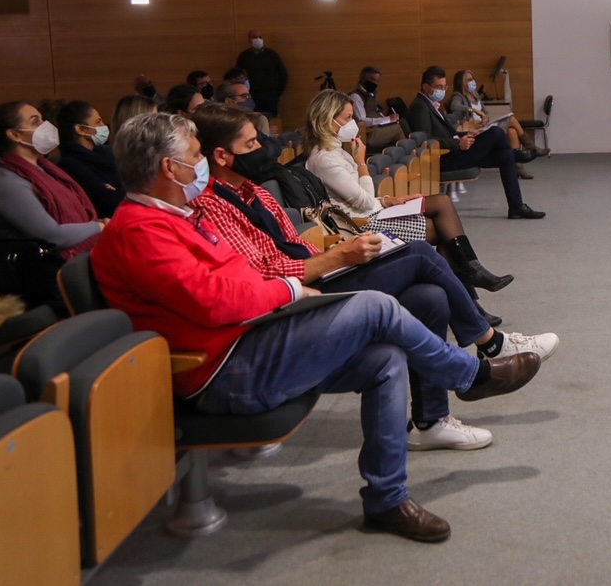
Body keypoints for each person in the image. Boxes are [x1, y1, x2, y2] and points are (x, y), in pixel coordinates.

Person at [92, 112, 542, 542]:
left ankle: (386, 498)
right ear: (171, 168)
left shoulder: (178, 217)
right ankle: (472, 376)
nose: (203, 164)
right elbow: (219, 299)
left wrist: (283, 291)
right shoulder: (140, 230)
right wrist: (290, 291)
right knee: (376, 307)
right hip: (224, 370)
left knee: (385, 359)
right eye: (196, 156)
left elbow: (243, 278)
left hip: (255, 338)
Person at [190, 103, 558, 451]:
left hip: (322, 269)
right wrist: (337, 258)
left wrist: (339, 258)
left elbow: (295, 246)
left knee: (430, 296)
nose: (263, 149)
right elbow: (260, 274)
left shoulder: (255, 192)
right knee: (418, 253)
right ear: (221, 157)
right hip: (296, 298)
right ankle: (491, 343)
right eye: (251, 144)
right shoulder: (211, 206)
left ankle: (432, 421)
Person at [300, 90, 514, 294]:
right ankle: (471, 282)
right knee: (442, 229)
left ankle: (472, 278)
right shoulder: (326, 159)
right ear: (328, 121)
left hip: (369, 212)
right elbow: (362, 204)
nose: (353, 124)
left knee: (441, 203)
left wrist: (387, 200)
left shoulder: (335, 151)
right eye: (347, 118)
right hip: (360, 225)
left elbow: (358, 197)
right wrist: (361, 163)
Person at [406, 66, 545, 220]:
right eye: (439, 87)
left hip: (452, 151)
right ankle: (518, 154)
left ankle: (516, 207)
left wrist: (467, 134)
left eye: (444, 87)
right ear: (426, 87)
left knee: (505, 155)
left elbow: (447, 134)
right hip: (442, 160)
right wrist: (457, 144)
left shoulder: (431, 104)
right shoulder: (420, 106)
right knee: (497, 133)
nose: (443, 90)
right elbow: (426, 141)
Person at [0, 101, 106, 257]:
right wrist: (99, 227)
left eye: (42, 119)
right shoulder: (6, 181)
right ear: (15, 135)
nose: (45, 126)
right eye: (35, 122)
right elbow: (51, 236)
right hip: (41, 267)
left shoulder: (44, 168)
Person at [449, 68, 547, 180]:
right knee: (511, 119)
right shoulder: (458, 96)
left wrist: (486, 117)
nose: (472, 82)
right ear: (461, 82)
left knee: (512, 131)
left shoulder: (475, 94)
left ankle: (517, 168)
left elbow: (485, 111)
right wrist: (473, 110)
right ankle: (532, 147)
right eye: (469, 80)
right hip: (475, 129)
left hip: (484, 125)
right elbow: (454, 106)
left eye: (472, 79)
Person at [55, 101, 125, 218]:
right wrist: (127, 188)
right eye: (98, 122)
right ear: (81, 129)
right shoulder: (70, 164)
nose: (104, 125)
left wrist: (120, 189)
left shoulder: (108, 153)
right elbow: (110, 200)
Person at [235, 29, 289, 117]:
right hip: (251, 95)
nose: (258, 39)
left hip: (270, 95)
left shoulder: (272, 54)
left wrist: (279, 93)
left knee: (271, 119)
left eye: (260, 37)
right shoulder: (244, 56)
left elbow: (283, 74)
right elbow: (238, 76)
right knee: (252, 118)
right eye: (254, 37)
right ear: (249, 40)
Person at [349, 66, 404, 151]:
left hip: (376, 129)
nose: (375, 83)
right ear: (363, 79)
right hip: (367, 134)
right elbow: (362, 121)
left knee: (401, 123)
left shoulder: (371, 94)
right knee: (397, 129)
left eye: (377, 81)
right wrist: (387, 119)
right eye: (372, 80)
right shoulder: (356, 96)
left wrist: (389, 120)